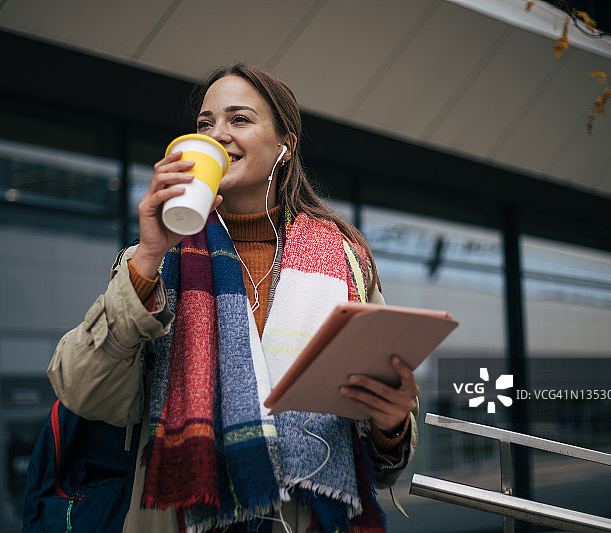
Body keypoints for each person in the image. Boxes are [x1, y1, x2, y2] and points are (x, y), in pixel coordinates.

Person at [47, 63, 419, 533]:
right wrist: (148, 255)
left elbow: (385, 457)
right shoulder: (154, 260)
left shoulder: (345, 259)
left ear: (286, 146)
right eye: (205, 124)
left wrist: (392, 426)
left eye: (239, 119)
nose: (217, 134)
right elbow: (82, 392)